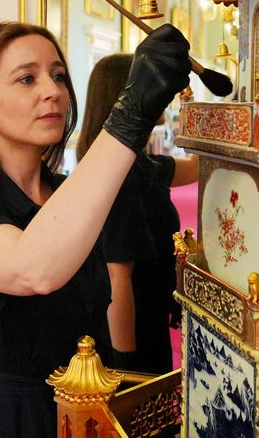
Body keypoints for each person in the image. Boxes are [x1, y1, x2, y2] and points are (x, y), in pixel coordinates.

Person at [0, 22, 191, 437]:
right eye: (27, 78)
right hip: (0, 422)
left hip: (82, 416)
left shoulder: (66, 194)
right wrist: (129, 116)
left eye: (58, 76)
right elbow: (33, 268)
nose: (53, 91)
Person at [77, 54, 198, 375]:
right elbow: (118, 277)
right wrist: (128, 368)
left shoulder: (136, 163)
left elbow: (195, 168)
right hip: (133, 328)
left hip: (148, 312)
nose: (161, 93)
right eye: (152, 85)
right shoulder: (123, 176)